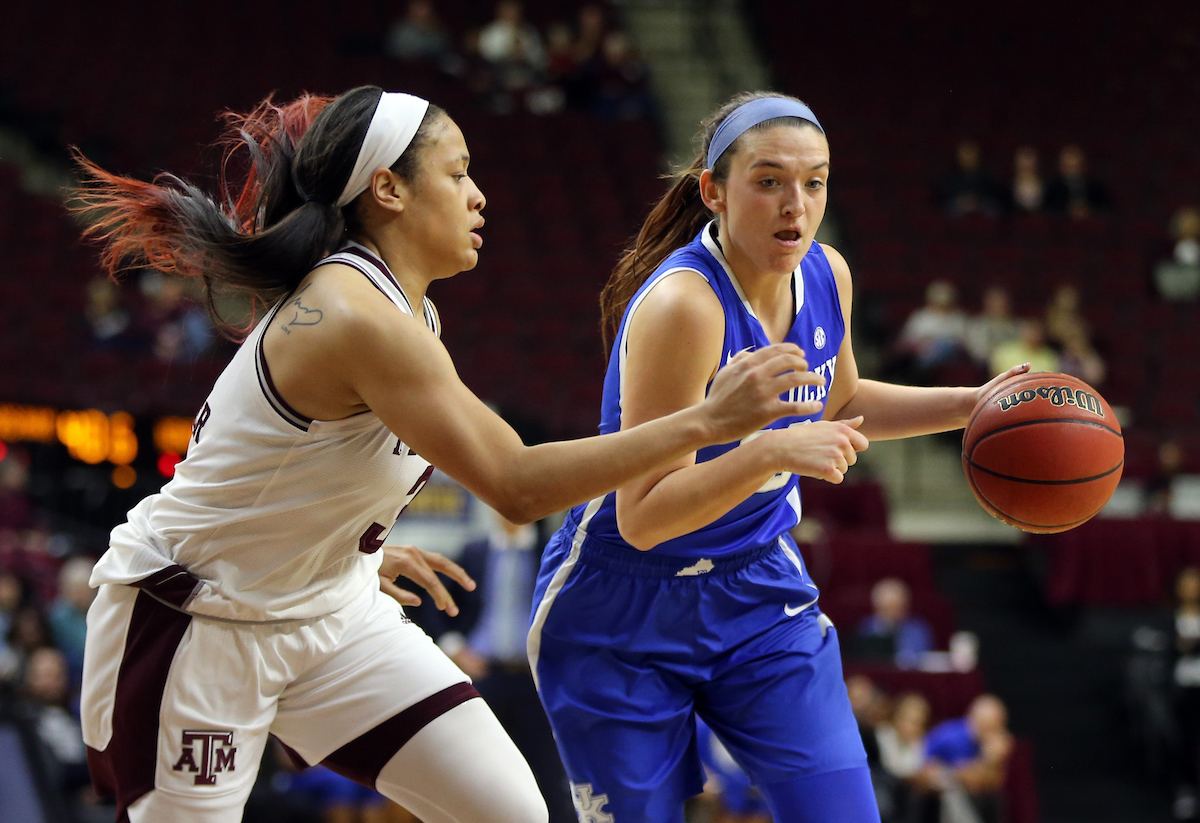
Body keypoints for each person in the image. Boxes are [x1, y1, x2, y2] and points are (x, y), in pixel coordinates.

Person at [69, 85, 819, 823]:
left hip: (330, 610)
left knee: (510, 811)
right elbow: (516, 486)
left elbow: (302, 463)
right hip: (198, 622)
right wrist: (706, 420)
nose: (478, 195)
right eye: (457, 172)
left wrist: (340, 544)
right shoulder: (352, 314)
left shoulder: (409, 310)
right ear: (389, 189)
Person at [528, 91, 1028, 823]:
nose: (796, 204)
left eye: (815, 181)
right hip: (622, 604)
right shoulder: (684, 306)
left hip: (757, 589)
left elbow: (841, 396)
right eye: (768, 181)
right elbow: (643, 517)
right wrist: (769, 451)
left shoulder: (829, 273)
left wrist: (966, 403)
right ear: (714, 192)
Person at [404, 507, 577, 823]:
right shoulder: (476, 552)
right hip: (485, 673)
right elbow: (435, 603)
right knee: (480, 766)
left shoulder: (549, 550)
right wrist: (455, 647)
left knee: (546, 770)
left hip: (534, 678)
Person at [913, 694, 1013, 823]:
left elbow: (994, 782)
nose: (995, 731)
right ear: (975, 719)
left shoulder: (994, 743)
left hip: (970, 794)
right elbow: (921, 770)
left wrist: (992, 760)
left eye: (997, 726)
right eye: (989, 725)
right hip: (937, 791)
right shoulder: (950, 736)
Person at [854, 578, 935, 669]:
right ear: (877, 608)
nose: (893, 613)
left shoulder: (918, 629)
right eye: (888, 608)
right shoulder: (866, 628)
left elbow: (926, 659)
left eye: (897, 607)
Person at [1044, 144, 1109, 218]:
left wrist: (1087, 211)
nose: (1072, 171)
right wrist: (1068, 211)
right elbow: (1048, 211)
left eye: (1075, 167)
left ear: (1083, 166)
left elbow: (1105, 209)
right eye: (1068, 167)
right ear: (1061, 167)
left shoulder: (1095, 187)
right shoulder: (1053, 187)